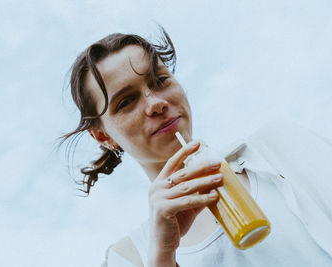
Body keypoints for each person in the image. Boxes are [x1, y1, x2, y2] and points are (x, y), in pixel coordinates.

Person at [61, 28, 332, 267]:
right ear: (103, 137)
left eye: (159, 81)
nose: (155, 103)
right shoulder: (128, 257)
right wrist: (162, 258)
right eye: (126, 102)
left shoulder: (278, 148)